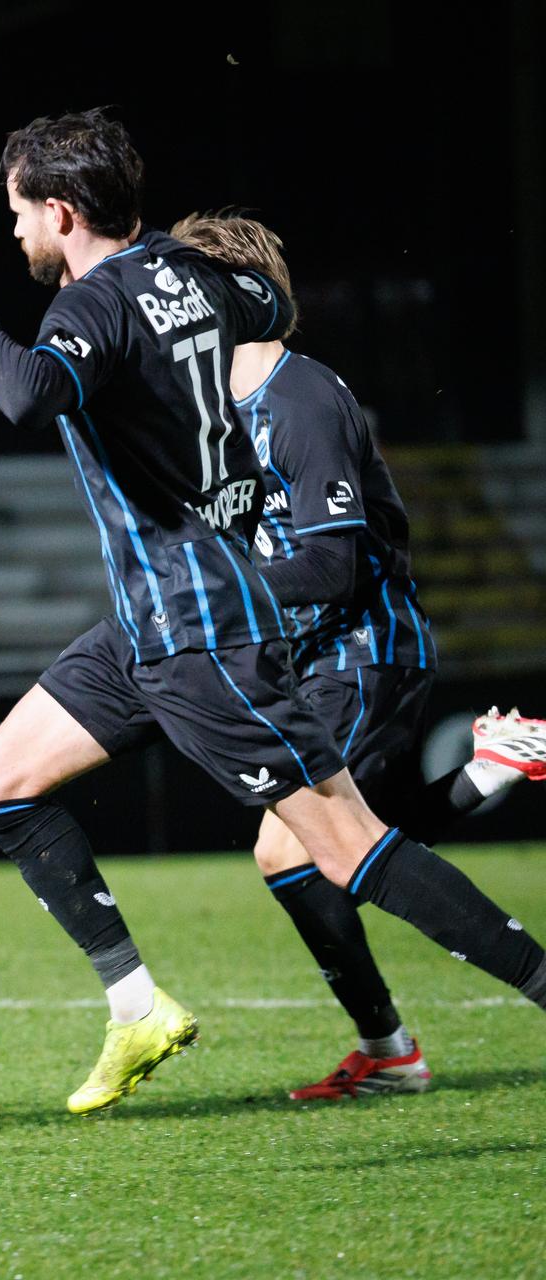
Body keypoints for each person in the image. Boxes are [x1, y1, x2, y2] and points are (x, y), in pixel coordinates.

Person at [0, 108, 546, 1116]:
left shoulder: (95, 307)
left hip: (197, 620)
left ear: (65, 210)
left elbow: (25, 395)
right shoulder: (186, 275)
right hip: (145, 621)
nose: (15, 236)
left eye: (20, 216)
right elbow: (263, 297)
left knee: (342, 844)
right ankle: (137, 1004)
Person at [169, 210, 546, 1099]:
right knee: (325, 848)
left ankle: (394, 1047)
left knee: (293, 849)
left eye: (176, 294)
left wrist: (222, 600)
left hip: (367, 649)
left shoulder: (299, 400)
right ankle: (484, 776)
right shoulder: (220, 411)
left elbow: (333, 567)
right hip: (315, 658)